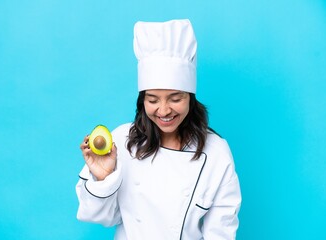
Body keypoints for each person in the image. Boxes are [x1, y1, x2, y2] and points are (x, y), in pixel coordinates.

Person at [76, 19, 242, 240]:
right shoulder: (121, 141)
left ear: (190, 99)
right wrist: (104, 179)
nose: (164, 110)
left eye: (175, 98)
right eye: (153, 100)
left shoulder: (216, 152)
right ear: (142, 101)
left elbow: (221, 231)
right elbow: (102, 218)